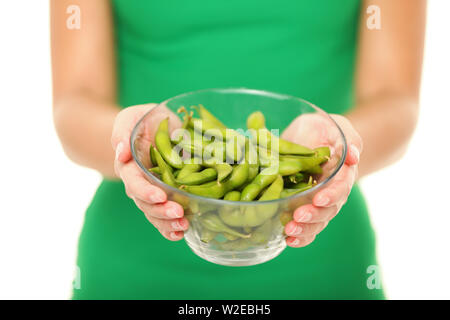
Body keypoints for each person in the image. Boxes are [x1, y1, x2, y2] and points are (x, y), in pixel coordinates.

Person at [51, 0, 426, 299]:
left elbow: (395, 101)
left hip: (323, 268)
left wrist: (338, 146)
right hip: (133, 273)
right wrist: (130, 141)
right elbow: (73, 106)